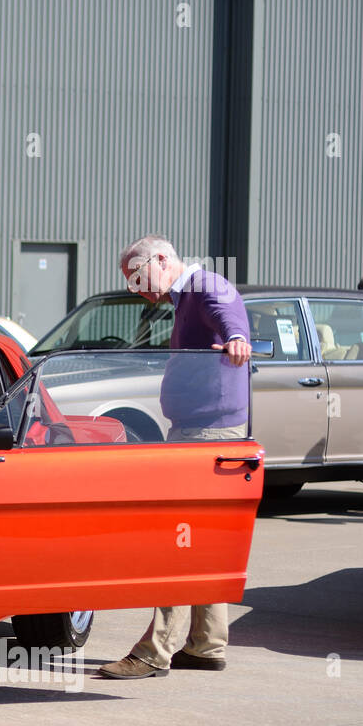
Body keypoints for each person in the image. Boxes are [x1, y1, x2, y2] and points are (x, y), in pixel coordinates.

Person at [99, 235, 252, 679]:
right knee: (200, 539)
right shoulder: (187, 297)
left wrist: (237, 339)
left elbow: (229, 316)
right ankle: (206, 644)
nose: (138, 290)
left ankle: (154, 652)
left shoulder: (207, 286)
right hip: (201, 427)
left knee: (181, 538)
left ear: (163, 260)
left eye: (138, 278)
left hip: (207, 431)